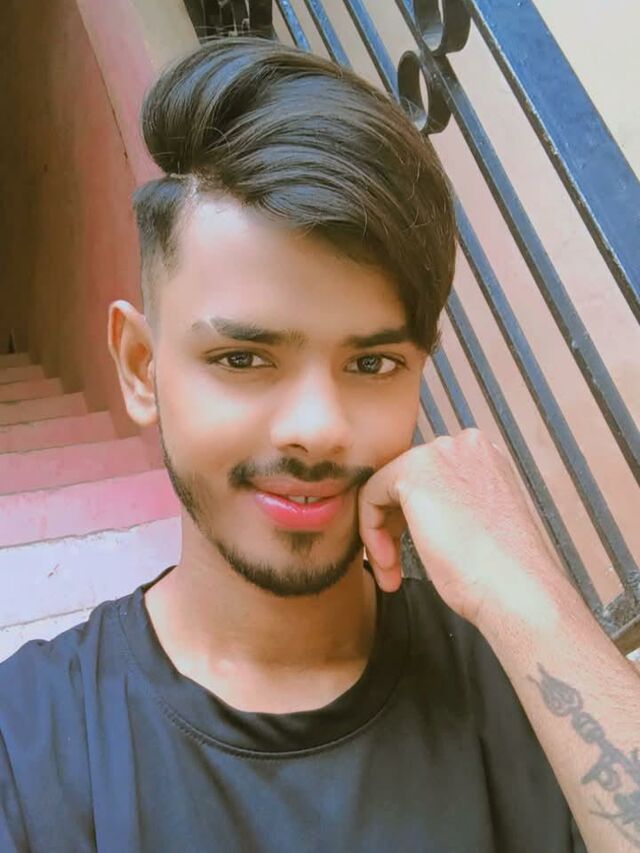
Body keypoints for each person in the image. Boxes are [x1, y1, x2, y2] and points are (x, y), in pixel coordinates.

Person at [1, 35, 638, 852]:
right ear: (139, 367)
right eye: (243, 358)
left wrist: (534, 600)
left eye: (371, 363)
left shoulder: (526, 677)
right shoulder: (31, 744)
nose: (318, 428)